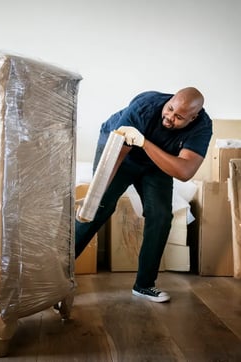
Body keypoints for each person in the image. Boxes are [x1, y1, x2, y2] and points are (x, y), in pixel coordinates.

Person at [75, 87, 212, 303]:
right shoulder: (145, 107)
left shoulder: (202, 127)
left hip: (155, 160)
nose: (169, 117)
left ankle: (144, 285)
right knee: (98, 207)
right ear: (169, 101)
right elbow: (117, 154)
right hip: (119, 150)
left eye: (179, 117)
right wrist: (96, 192)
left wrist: (145, 143)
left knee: (161, 216)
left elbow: (185, 172)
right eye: (169, 109)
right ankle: (58, 276)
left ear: (193, 118)